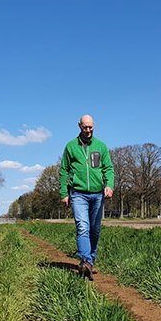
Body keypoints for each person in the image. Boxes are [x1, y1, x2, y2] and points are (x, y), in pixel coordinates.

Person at [60, 114, 114, 280]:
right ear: (79, 126)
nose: (88, 130)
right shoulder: (70, 147)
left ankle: (90, 261)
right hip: (78, 193)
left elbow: (108, 168)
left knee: (94, 229)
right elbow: (64, 171)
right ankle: (85, 261)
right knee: (82, 227)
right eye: (85, 127)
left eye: (90, 127)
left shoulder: (101, 146)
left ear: (94, 126)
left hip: (97, 194)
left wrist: (109, 185)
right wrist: (64, 193)